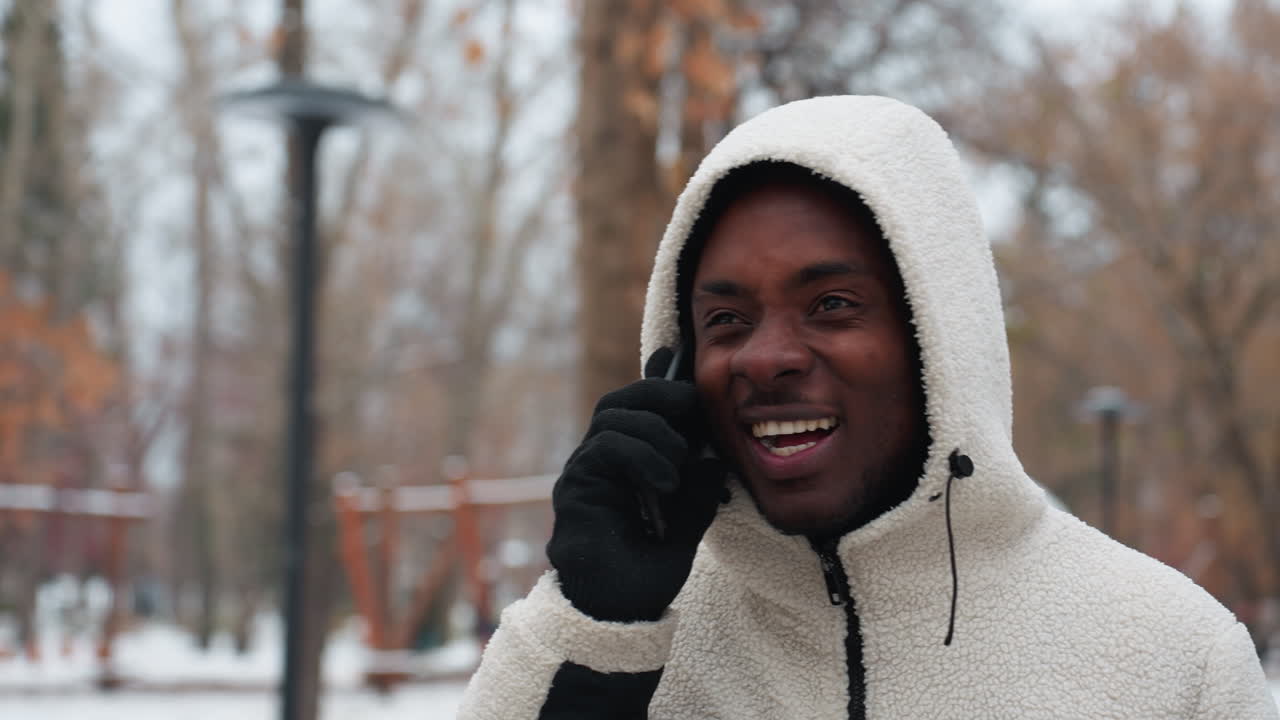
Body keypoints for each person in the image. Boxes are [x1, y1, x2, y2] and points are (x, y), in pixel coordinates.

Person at [458, 96, 1278, 718]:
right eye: (727, 321)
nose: (768, 357)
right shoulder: (637, 633)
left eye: (832, 305)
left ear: (937, 335)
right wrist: (596, 626)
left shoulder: (1174, 661)